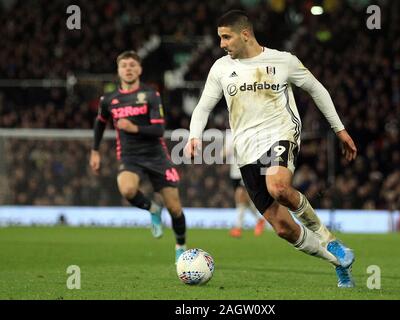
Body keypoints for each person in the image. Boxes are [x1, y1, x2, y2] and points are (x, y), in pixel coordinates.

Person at [185, 10, 357, 288]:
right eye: (220, 38)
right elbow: (203, 106)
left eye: (226, 37)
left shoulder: (283, 61)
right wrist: (194, 136)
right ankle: (338, 261)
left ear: (245, 34)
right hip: (245, 151)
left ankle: (328, 239)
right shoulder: (220, 68)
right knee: (282, 228)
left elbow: (317, 89)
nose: (222, 44)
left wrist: (339, 129)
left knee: (278, 187)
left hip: (280, 133)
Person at [89, 50, 187, 262]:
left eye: (133, 65)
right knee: (127, 189)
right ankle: (152, 208)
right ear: (118, 71)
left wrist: (133, 128)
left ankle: (180, 246)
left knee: (175, 208)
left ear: (140, 69)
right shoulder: (109, 99)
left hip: (156, 155)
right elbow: (100, 122)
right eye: (124, 65)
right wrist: (94, 150)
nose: (129, 69)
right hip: (130, 156)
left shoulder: (151, 95)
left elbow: (159, 130)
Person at [224, 131, 266, 237]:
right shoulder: (229, 134)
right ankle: (260, 219)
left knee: (240, 195)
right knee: (243, 201)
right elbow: (225, 152)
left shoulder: (247, 131)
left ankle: (238, 227)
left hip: (245, 170)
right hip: (234, 172)